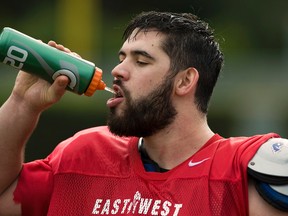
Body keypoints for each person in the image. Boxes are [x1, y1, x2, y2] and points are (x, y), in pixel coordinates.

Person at [0, 11, 287, 216]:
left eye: (141, 61)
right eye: (121, 58)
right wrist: (22, 103)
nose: (117, 70)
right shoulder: (83, 155)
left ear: (185, 81)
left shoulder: (240, 169)